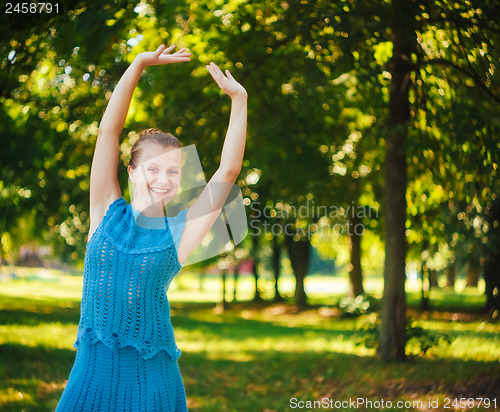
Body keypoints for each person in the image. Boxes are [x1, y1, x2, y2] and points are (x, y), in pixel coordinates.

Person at [55, 44, 247, 411]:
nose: (163, 178)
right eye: (153, 168)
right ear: (131, 171)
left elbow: (228, 172)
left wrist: (239, 100)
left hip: (149, 384)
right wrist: (139, 63)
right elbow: (108, 132)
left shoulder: (178, 233)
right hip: (89, 377)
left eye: (173, 171)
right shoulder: (104, 211)